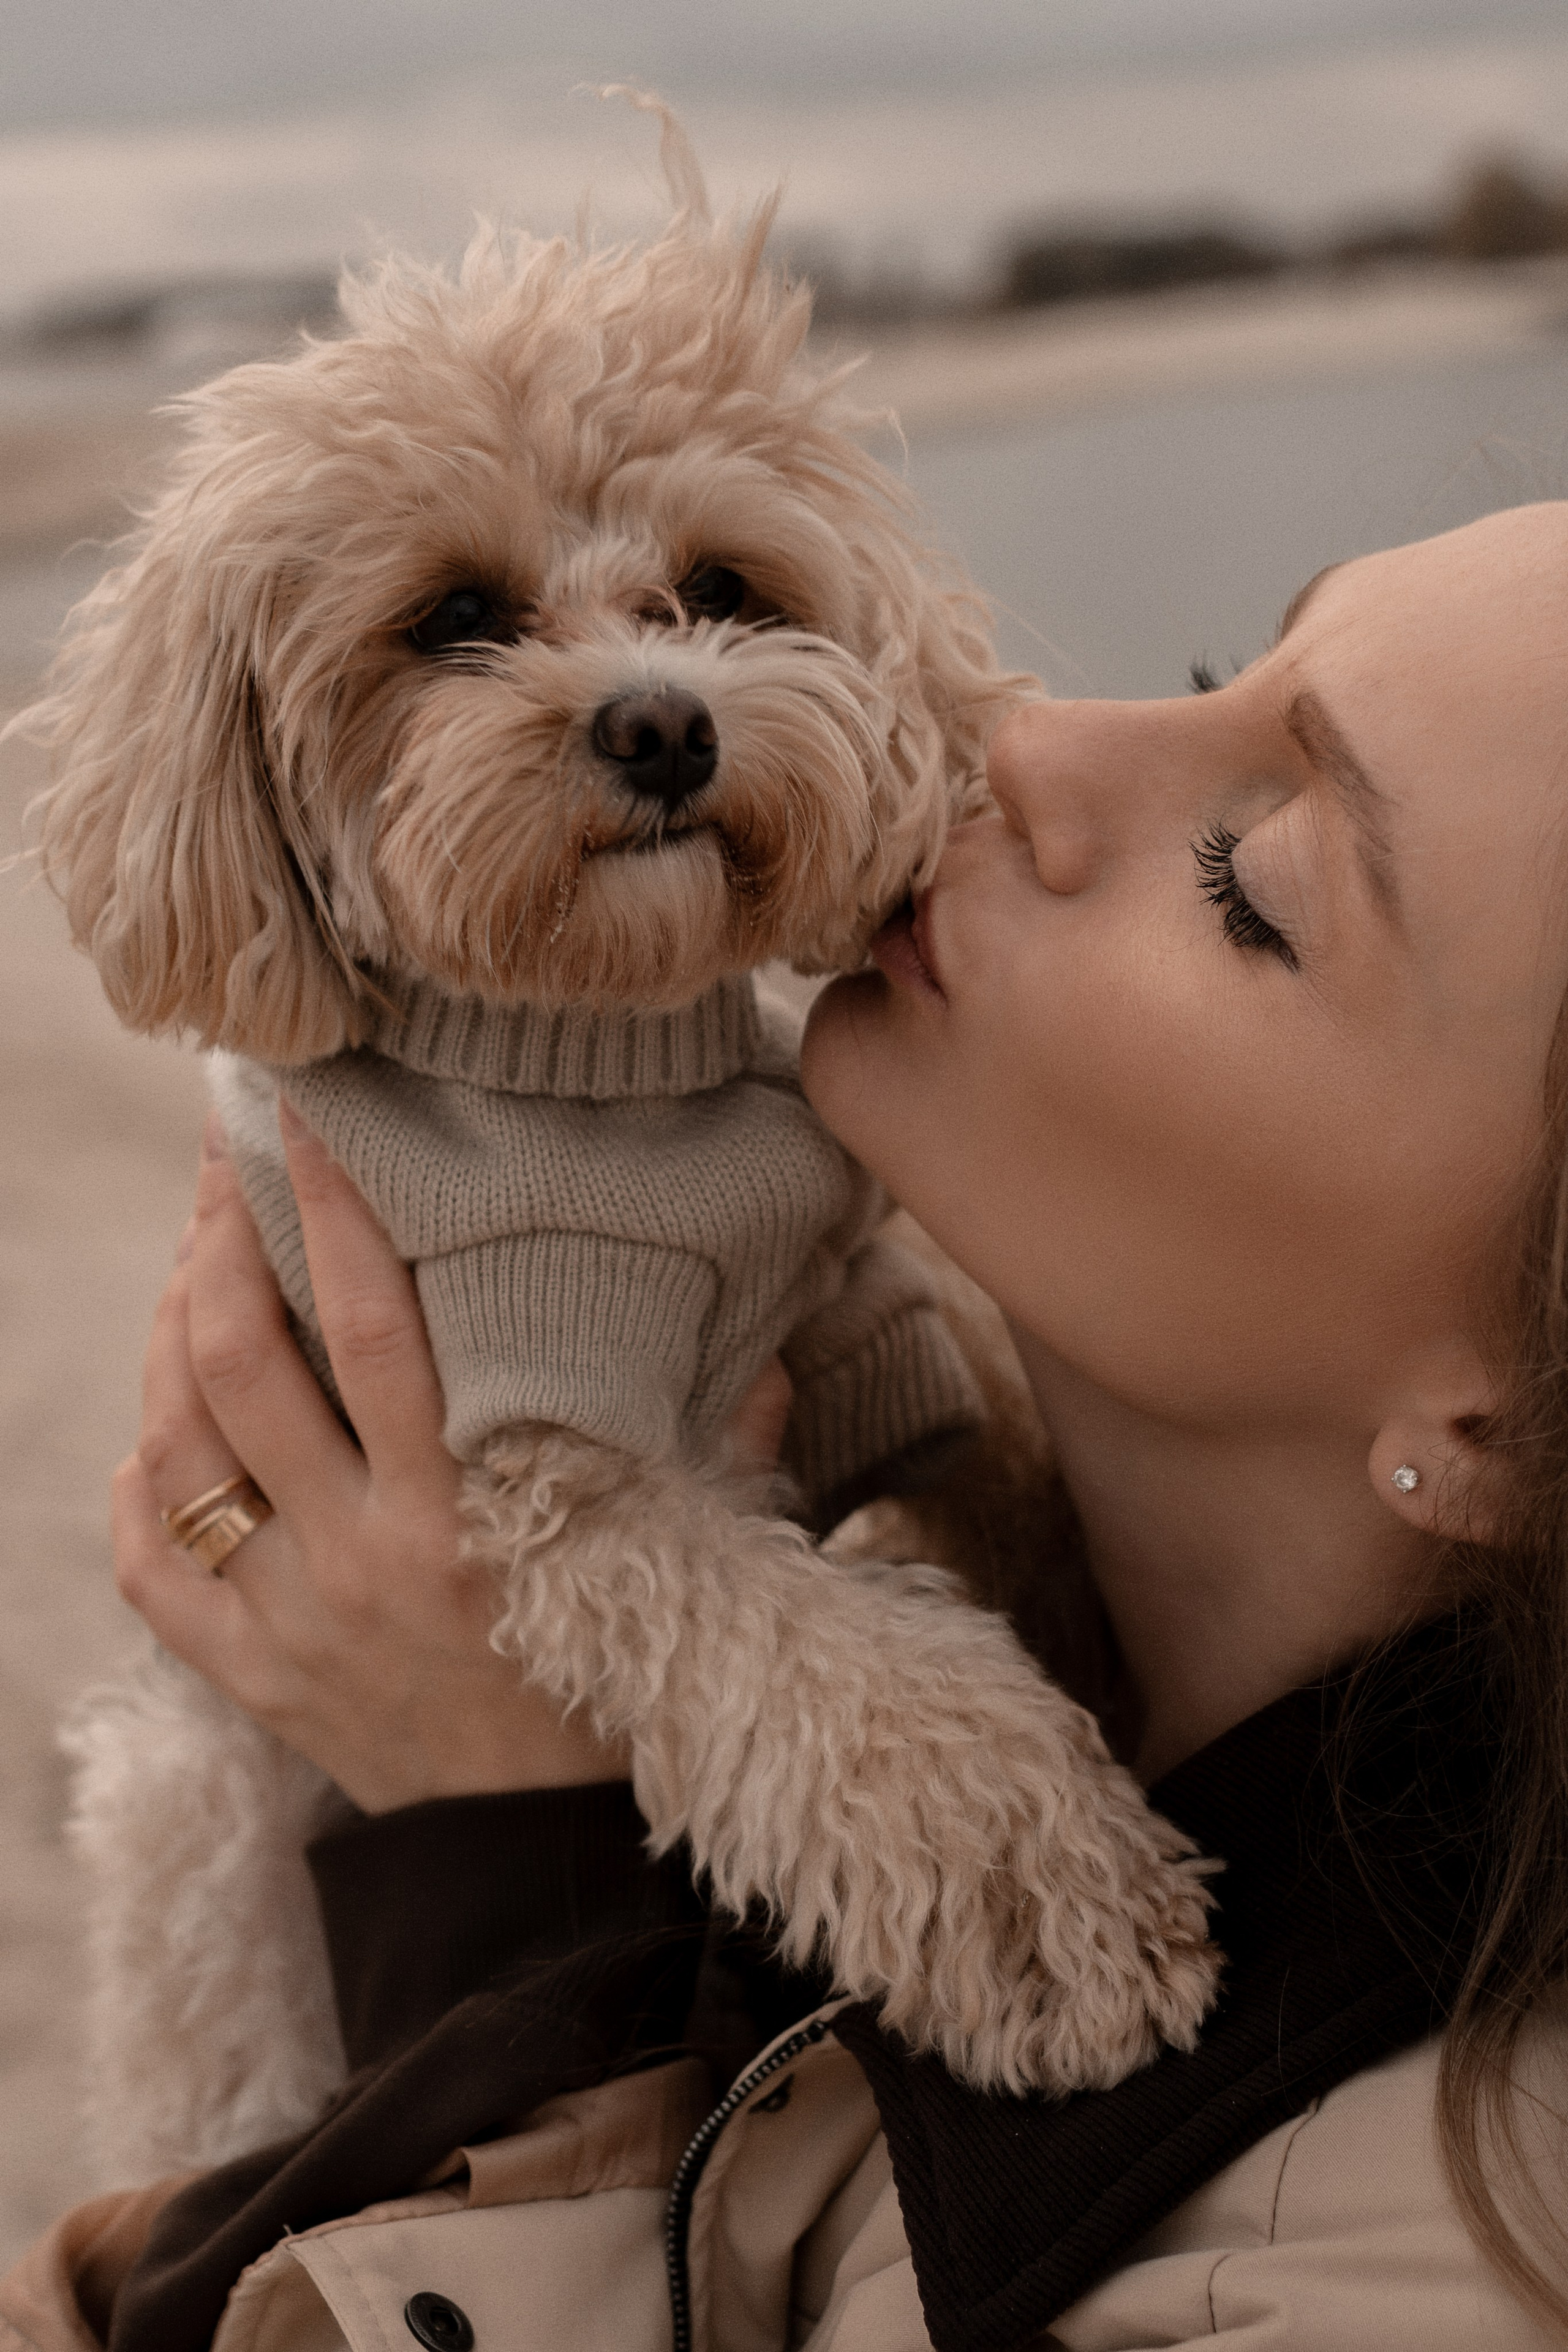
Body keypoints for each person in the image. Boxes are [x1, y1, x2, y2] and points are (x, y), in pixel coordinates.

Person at [6, 502, 1568, 2352]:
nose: (1026, 737)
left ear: (1504, 1429)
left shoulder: (1419, 2272)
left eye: (1253, 882)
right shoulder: (887, 1530)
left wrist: (512, 1900)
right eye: (1221, 669)